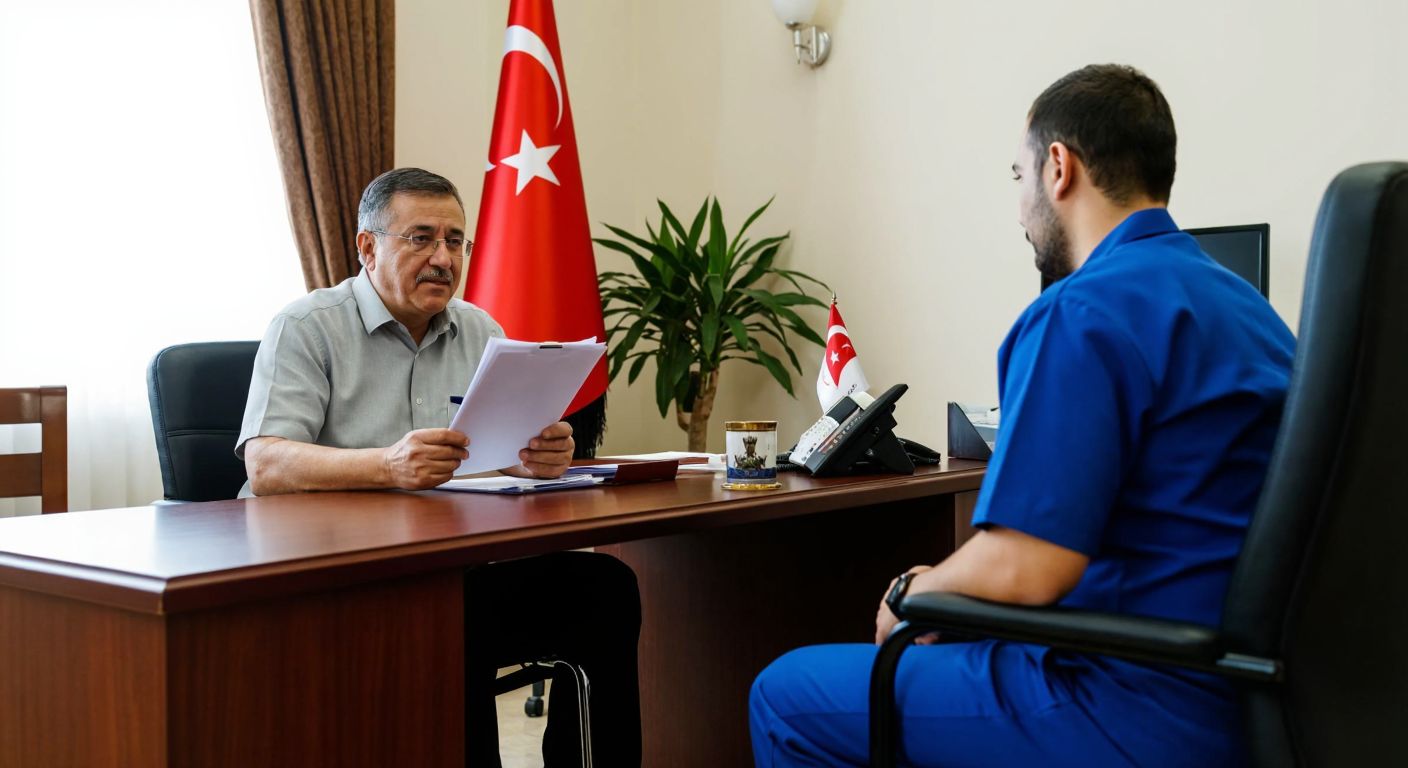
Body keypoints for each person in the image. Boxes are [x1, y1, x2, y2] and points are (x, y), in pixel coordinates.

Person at [748, 64, 1296, 767]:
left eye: (1019, 176)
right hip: (1251, 698)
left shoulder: (1081, 312)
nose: (1019, 208)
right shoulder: (1249, 310)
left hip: (1130, 700)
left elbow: (1029, 566)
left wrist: (913, 591)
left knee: (786, 694)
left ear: (1058, 168)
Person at [236, 167, 640, 767]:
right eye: (420, 238)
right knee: (452, 625)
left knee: (605, 590)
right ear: (368, 247)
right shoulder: (306, 328)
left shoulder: (481, 331)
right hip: (336, 577)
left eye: (456, 241)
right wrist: (386, 465)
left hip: (453, 564)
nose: (443, 258)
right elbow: (266, 462)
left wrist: (539, 458)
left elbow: (501, 454)